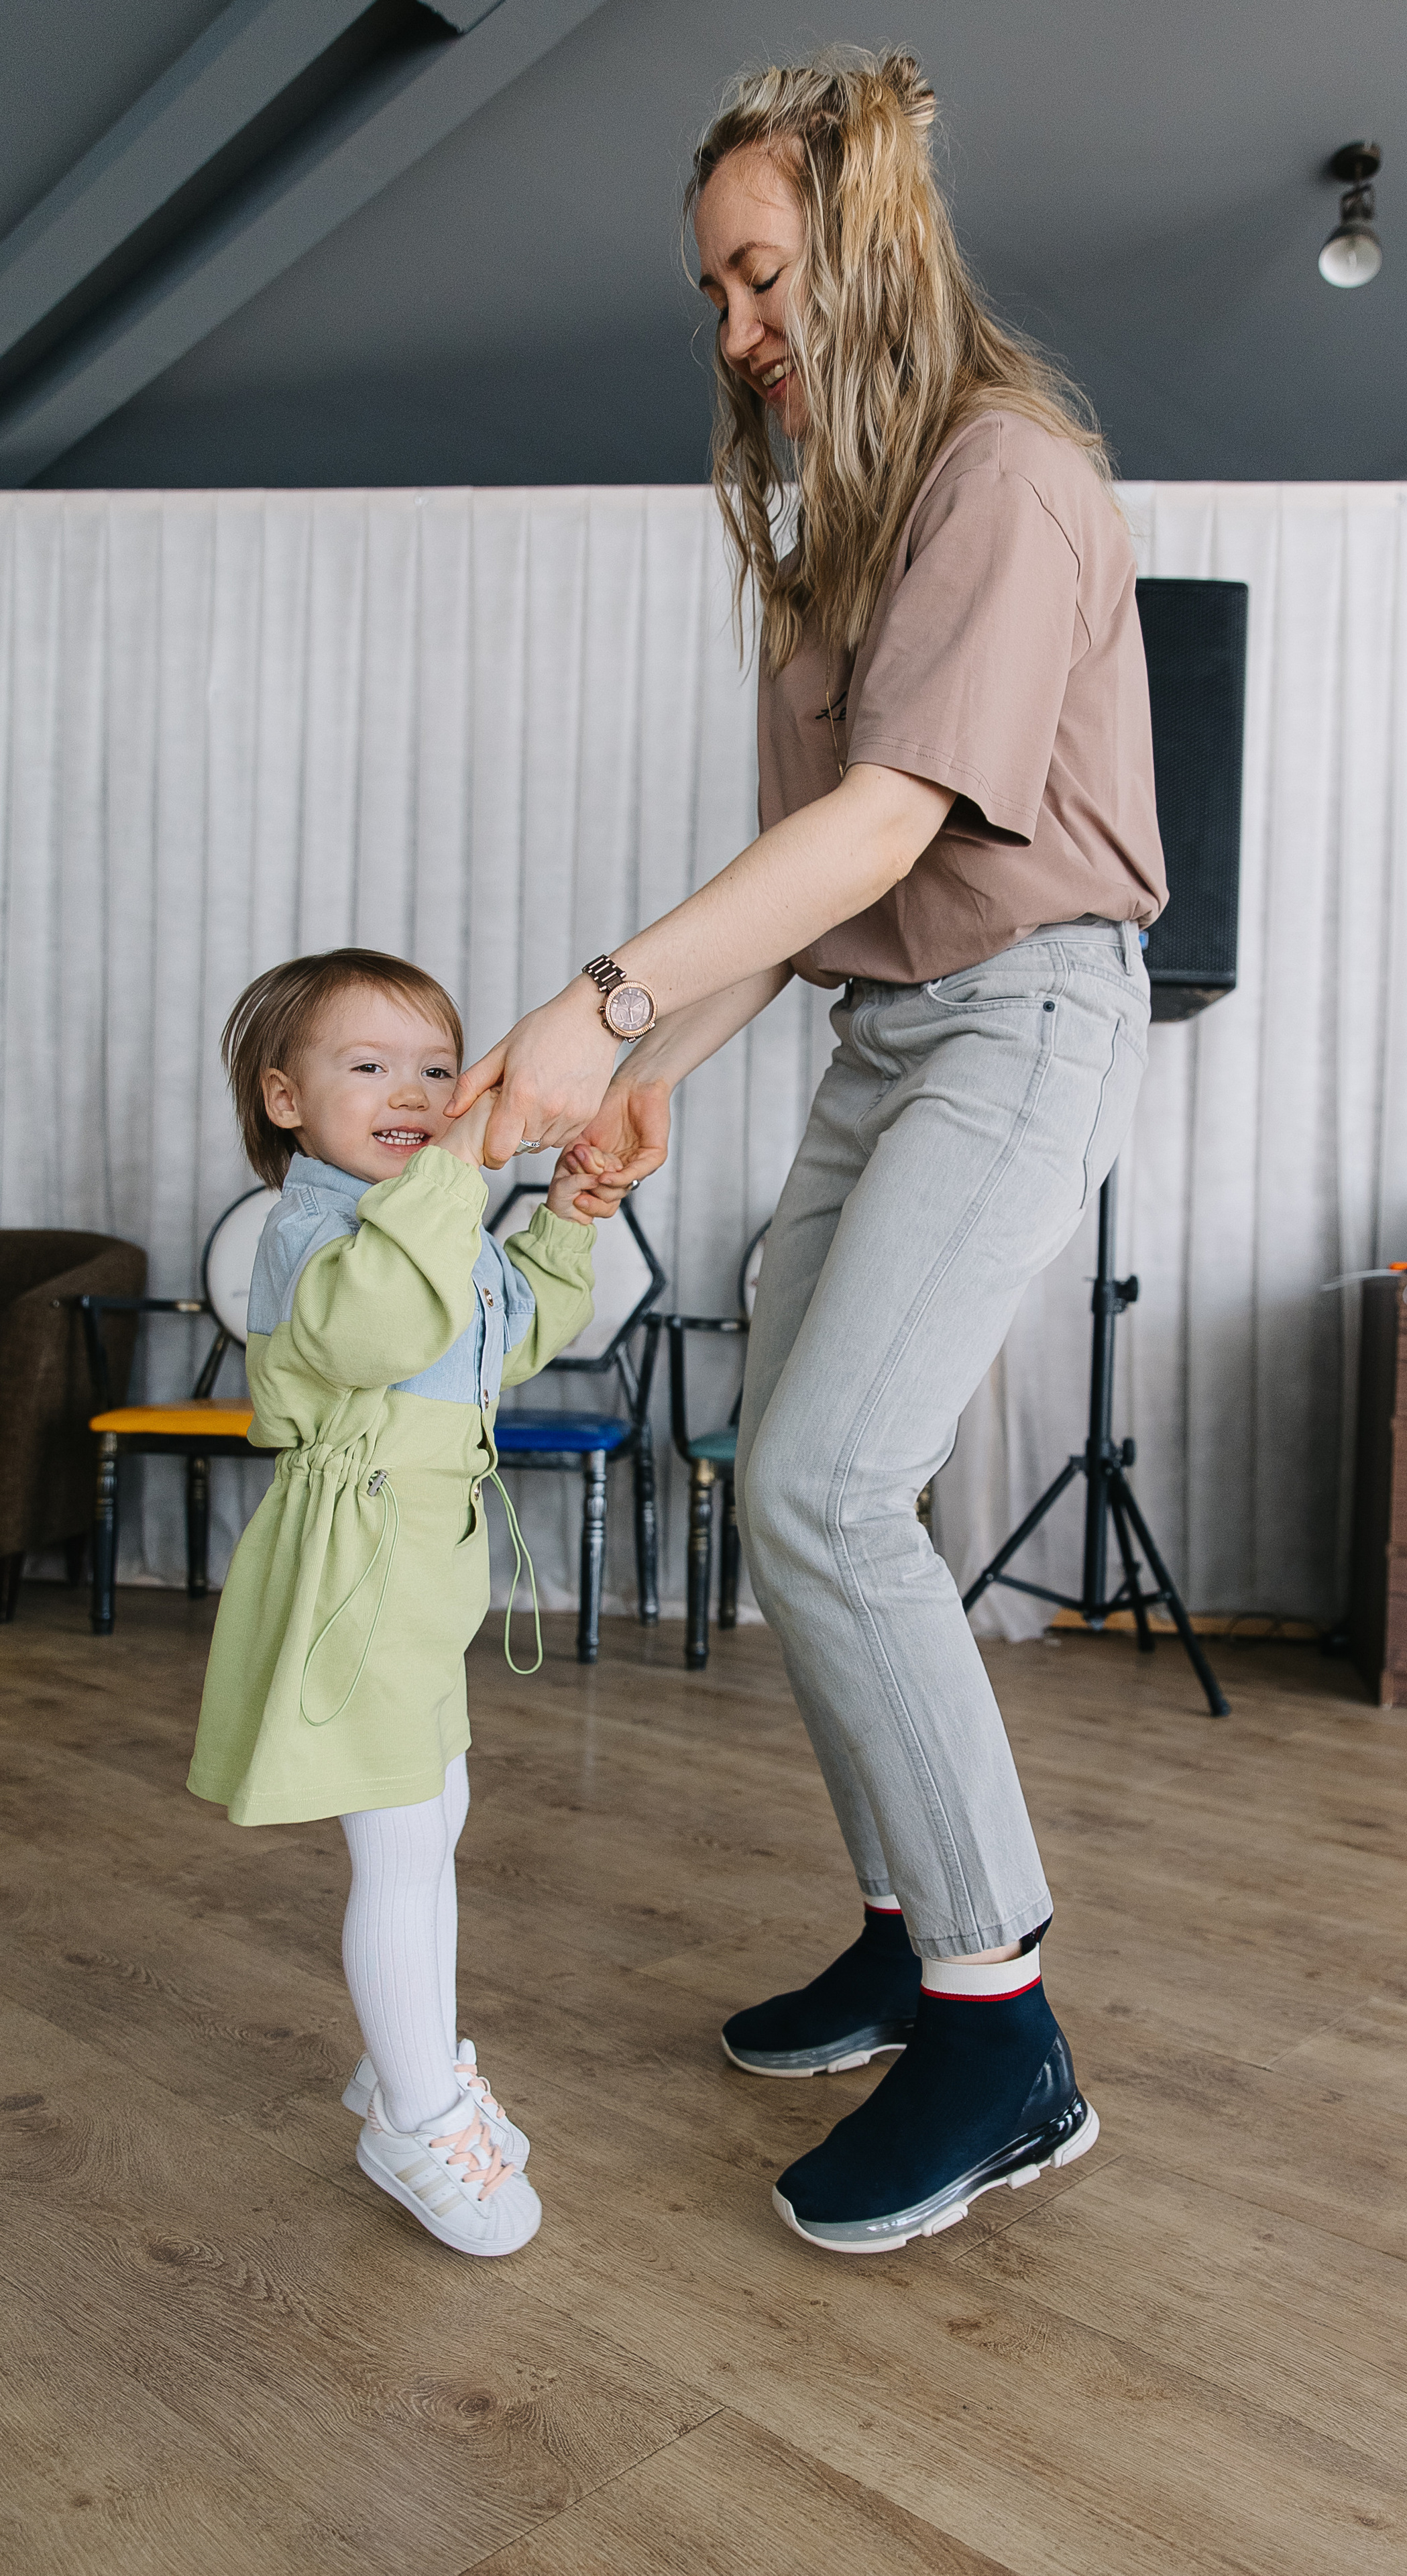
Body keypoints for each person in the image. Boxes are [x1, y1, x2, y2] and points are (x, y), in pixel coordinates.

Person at [450, 48, 1165, 2253]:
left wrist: (601, 1003)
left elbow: (901, 823)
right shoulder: (835, 537)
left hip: (1028, 1013)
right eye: (717, 297)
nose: (737, 330)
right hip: (888, 1027)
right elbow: (815, 876)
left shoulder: (1010, 479)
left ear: (865, 254)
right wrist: (674, 1050)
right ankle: (901, 1925)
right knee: (788, 1474)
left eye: (760, 279)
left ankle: (1003, 2030)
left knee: (840, 1485)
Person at [188, 948, 598, 2258]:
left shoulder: (428, 1220)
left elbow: (503, 1334)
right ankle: (416, 2120)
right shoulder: (314, 1230)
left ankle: (403, 2058)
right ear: (285, 1099)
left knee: (438, 1812)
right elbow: (372, 1335)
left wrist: (570, 1210)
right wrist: (459, 1173)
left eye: (437, 1068)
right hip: (358, 1561)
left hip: (427, 1566)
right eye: (366, 1068)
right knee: (401, 1844)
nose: (415, 1095)